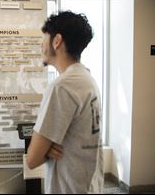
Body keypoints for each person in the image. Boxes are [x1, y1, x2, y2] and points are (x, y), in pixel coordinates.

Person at [26, 11, 104, 194]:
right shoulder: (87, 78)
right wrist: (48, 147)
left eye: (44, 37)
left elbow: (32, 159)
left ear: (57, 40)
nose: (41, 44)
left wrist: (44, 149)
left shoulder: (61, 86)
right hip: (89, 185)